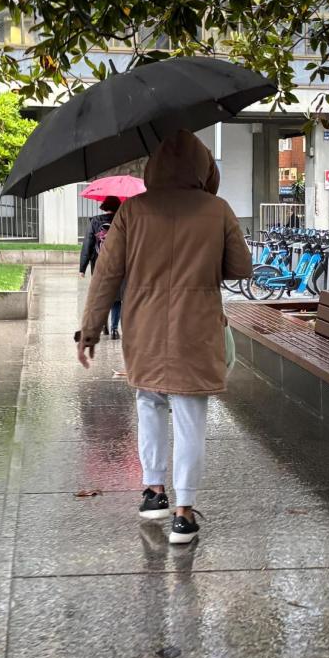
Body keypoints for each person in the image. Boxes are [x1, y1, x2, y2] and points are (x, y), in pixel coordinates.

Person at [77, 130, 252, 545]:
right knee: (190, 419)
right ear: (203, 167)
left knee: (149, 406)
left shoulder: (132, 212)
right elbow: (241, 267)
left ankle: (154, 492)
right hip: (197, 331)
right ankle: (184, 515)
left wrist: (90, 330)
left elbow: (106, 276)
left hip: (146, 330)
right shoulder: (218, 210)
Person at [79, 195, 122, 338]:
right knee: (117, 297)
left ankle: (104, 326)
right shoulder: (122, 220)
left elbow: (88, 243)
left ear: (104, 206)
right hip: (118, 266)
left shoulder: (95, 221)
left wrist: (82, 268)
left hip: (99, 266)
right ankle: (114, 329)